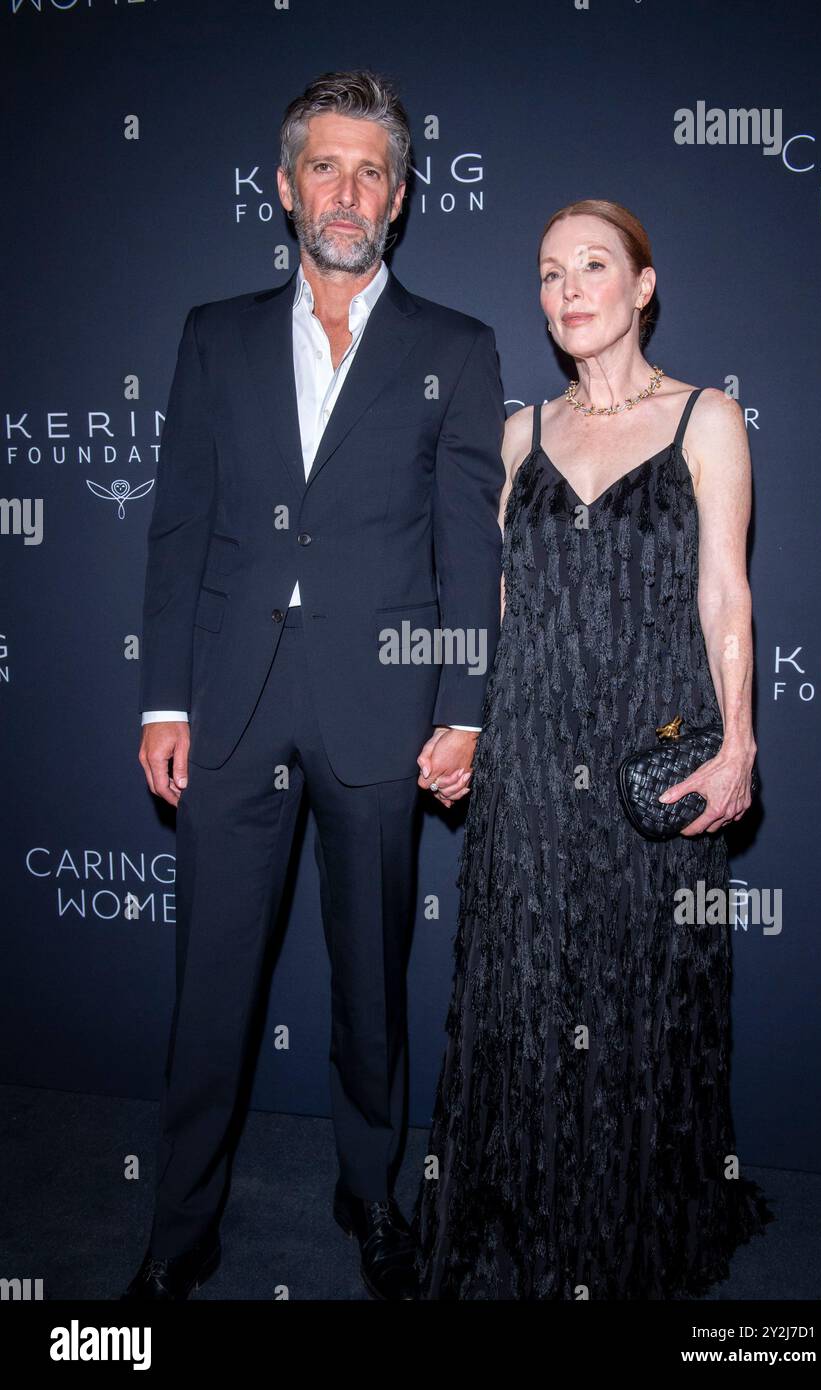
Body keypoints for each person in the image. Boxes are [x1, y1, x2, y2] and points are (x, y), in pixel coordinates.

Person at [123, 69, 504, 1301]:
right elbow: (180, 528)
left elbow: (469, 548)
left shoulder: (456, 346)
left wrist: (461, 707)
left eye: (371, 171)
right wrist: (163, 701)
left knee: (369, 980)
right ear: (285, 189)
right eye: (324, 167)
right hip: (229, 704)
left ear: (398, 200)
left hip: (380, 713)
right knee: (209, 986)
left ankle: (370, 1191)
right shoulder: (213, 334)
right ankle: (179, 1227)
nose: (346, 192)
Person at [412, 199, 774, 1299]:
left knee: (637, 1000)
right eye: (547, 272)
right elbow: (500, 598)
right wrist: (465, 727)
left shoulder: (704, 419)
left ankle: (622, 1230)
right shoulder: (519, 433)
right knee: (523, 994)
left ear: (641, 285)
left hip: (644, 751)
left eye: (592, 265)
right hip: (528, 745)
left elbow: (724, 591)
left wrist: (738, 740)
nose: (567, 289)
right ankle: (524, 1207)